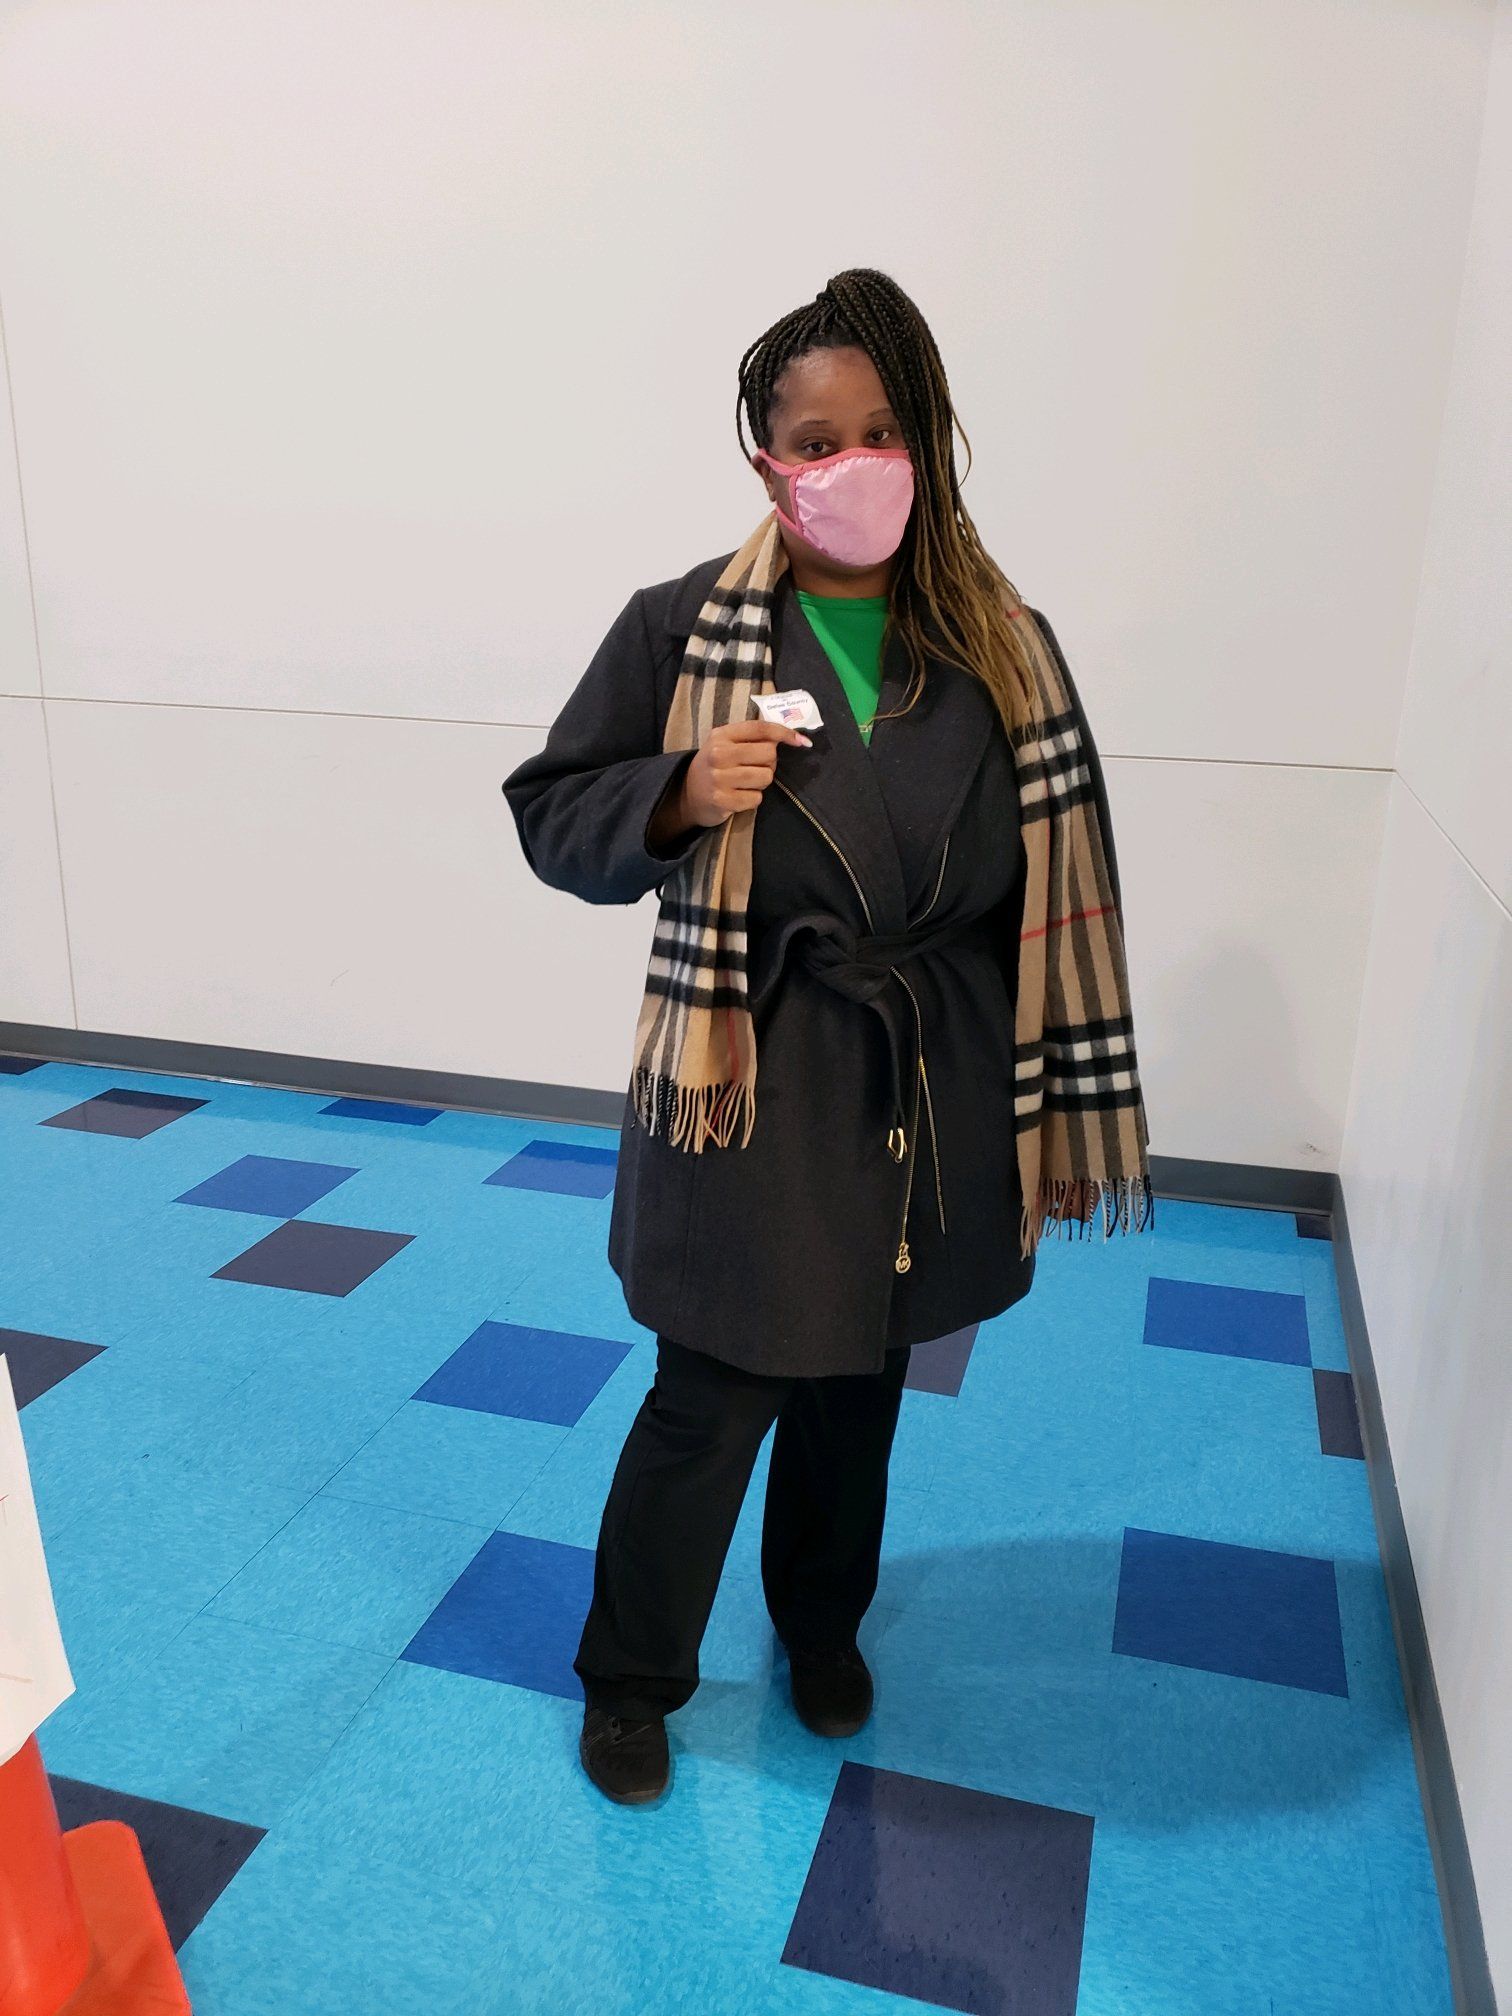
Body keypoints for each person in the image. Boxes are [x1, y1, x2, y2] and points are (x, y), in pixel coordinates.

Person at [501, 266, 1153, 1807]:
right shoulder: (681, 630)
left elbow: (1043, 895)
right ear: (764, 457)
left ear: (922, 442)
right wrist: (674, 796)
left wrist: (1026, 1101)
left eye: (875, 430)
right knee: (714, 1392)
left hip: (926, 1078)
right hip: (755, 1077)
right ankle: (632, 1674)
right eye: (811, 437)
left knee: (863, 1378)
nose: (844, 462)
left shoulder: (1007, 648)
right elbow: (550, 814)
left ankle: (820, 1625)